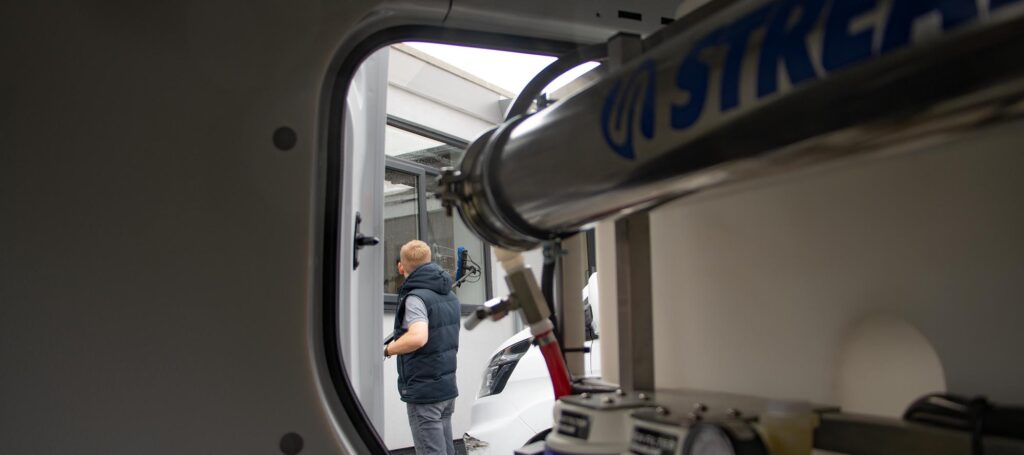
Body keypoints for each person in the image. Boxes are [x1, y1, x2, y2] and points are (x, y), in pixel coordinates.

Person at [385, 240, 461, 455]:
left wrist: (388, 350)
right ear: (429, 261)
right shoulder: (450, 296)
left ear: (401, 267)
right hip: (446, 389)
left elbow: (418, 337)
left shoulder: (416, 297)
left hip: (425, 393)